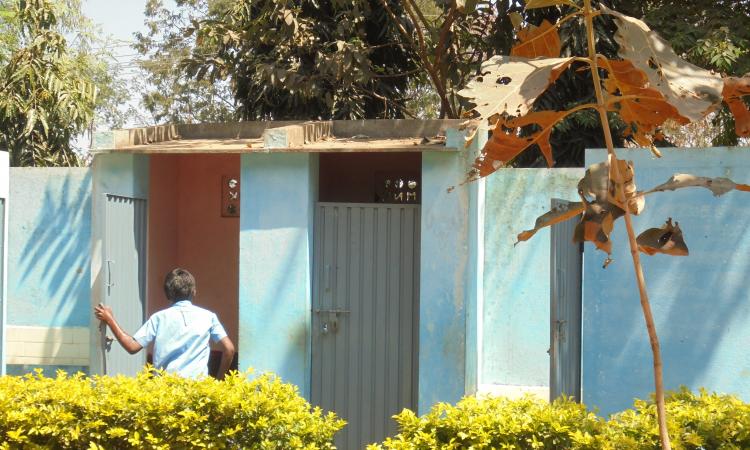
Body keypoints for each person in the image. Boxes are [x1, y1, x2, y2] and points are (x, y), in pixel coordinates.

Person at [94, 267, 235, 379]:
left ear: (167, 294)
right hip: (197, 392)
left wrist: (109, 319)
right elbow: (229, 349)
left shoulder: (159, 318)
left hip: (166, 391)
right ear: (194, 291)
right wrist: (218, 381)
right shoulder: (208, 317)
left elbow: (132, 346)